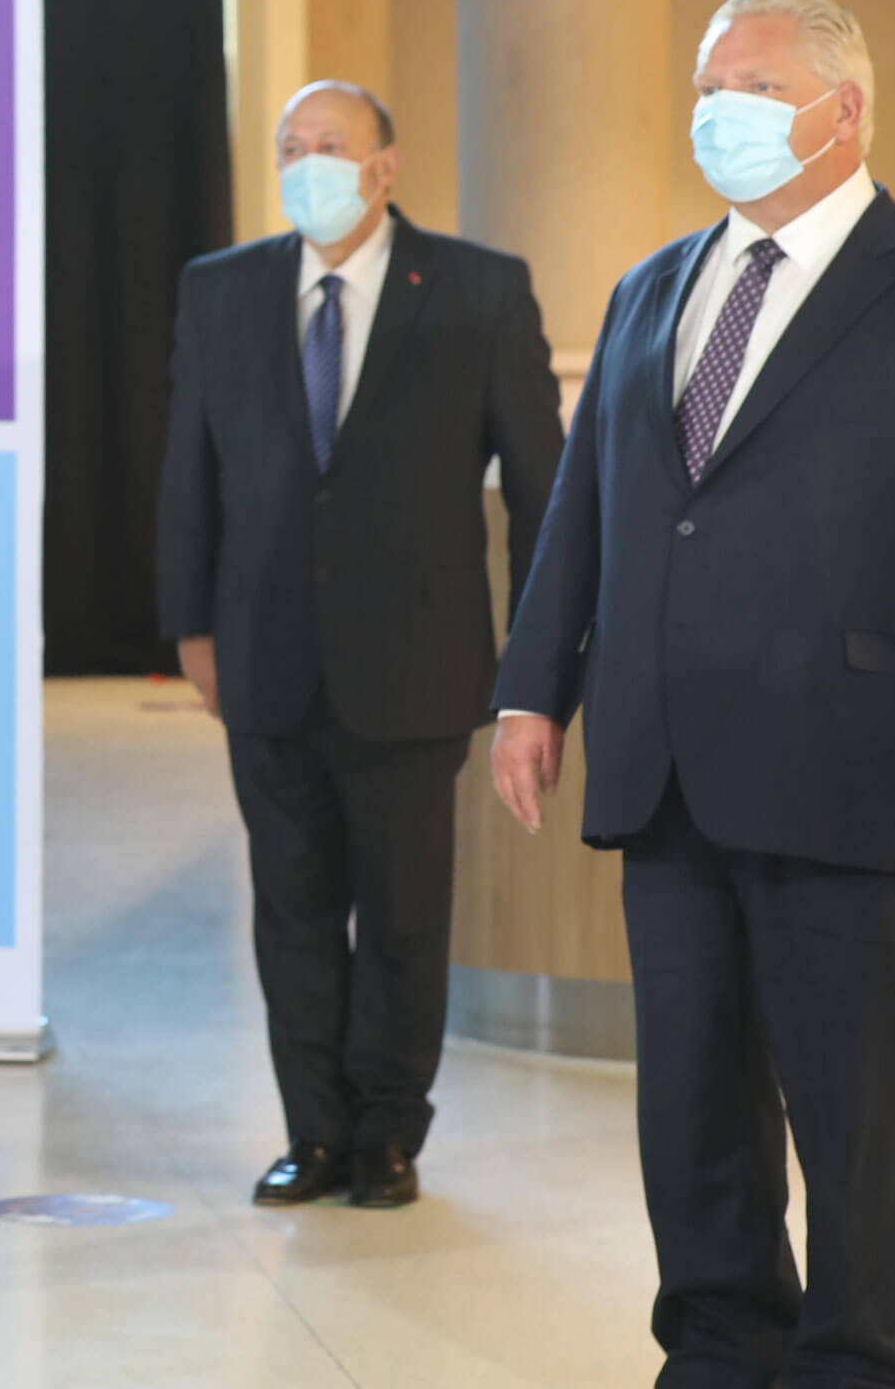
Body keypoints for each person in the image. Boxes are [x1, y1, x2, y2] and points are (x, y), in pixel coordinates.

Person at [490, 0, 895, 1388]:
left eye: (749, 86)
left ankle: (852, 1362)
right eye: (706, 86)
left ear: (842, 109)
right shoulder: (651, 287)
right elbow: (590, 508)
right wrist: (532, 690)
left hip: (859, 774)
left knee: (858, 1117)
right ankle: (717, 1343)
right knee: (692, 1107)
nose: (717, 112)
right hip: (669, 771)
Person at [155, 80, 564, 1210]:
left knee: (400, 911)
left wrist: (541, 654)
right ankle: (315, 1133)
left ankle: (389, 1132)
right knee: (289, 904)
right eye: (291, 148)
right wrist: (189, 624)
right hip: (264, 654)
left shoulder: (478, 290)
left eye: (329, 146)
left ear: (385, 167)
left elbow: (543, 486)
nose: (306, 164)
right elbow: (188, 471)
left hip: (418, 662)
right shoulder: (221, 289)